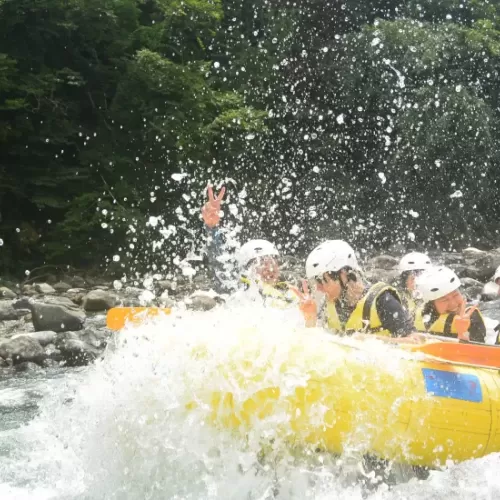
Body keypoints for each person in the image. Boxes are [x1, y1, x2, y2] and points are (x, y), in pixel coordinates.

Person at [293, 240, 415, 337]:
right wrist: (311, 319)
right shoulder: (328, 307)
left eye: (322, 281)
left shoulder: (383, 301)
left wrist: (371, 341)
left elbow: (415, 341)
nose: (319, 288)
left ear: (344, 274)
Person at [201, 184, 296, 307]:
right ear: (246, 269)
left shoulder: (291, 293)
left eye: (272, 261)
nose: (269, 268)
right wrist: (212, 228)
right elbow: (219, 262)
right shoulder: (238, 290)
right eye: (260, 263)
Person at [414, 266, 486, 343]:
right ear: (431, 304)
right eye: (444, 300)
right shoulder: (415, 317)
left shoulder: (471, 315)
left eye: (455, 295)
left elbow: (479, 350)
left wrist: (462, 334)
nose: (453, 304)